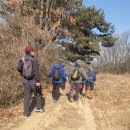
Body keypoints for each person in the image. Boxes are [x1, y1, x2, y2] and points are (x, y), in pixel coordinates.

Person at [17, 45, 44, 118]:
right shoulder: (34, 60)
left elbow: (19, 68)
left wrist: (21, 73)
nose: (34, 52)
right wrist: (38, 81)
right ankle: (39, 108)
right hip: (34, 82)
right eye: (33, 51)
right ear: (30, 51)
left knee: (26, 97)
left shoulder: (22, 59)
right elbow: (36, 71)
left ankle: (25, 114)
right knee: (38, 94)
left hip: (26, 82)